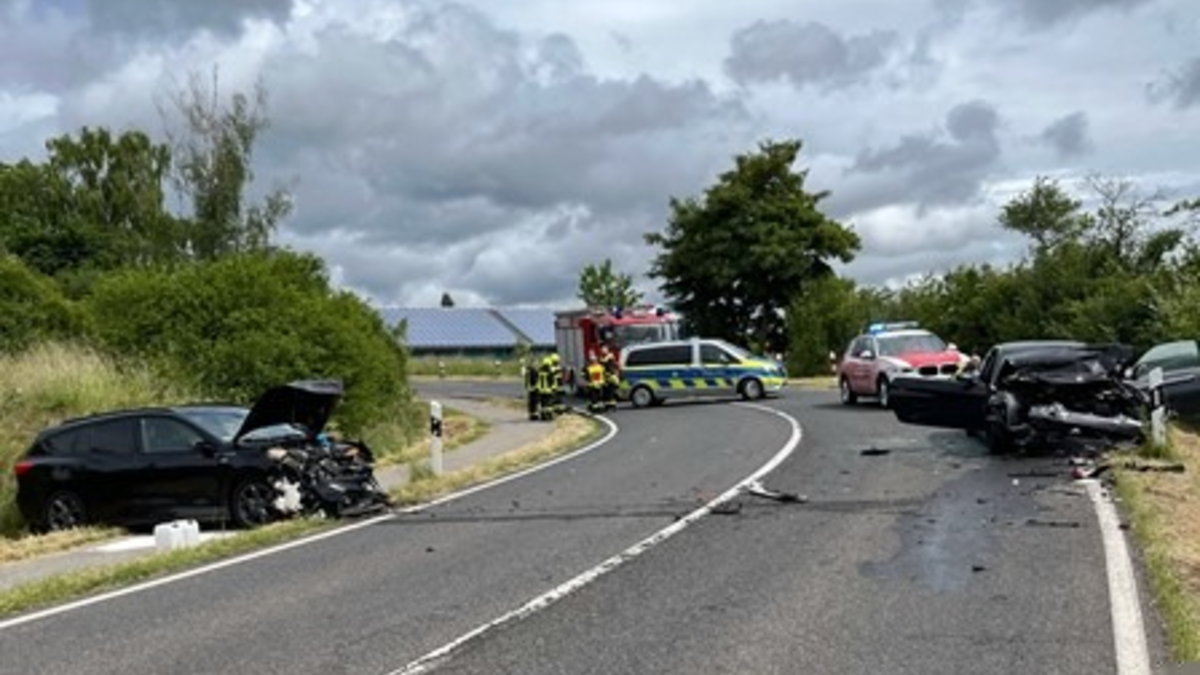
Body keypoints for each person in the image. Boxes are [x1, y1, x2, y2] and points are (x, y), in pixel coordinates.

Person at [600, 346, 620, 410]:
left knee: (610, 392)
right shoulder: (604, 357)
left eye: (603, 351)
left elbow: (605, 363)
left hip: (610, 377)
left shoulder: (609, 357)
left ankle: (611, 406)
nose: (602, 352)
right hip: (607, 378)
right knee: (607, 392)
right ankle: (608, 405)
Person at [524, 355, 541, 421]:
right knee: (535, 402)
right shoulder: (533, 371)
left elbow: (526, 380)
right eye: (536, 363)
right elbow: (535, 380)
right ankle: (534, 415)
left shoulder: (527, 371)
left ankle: (531, 415)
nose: (537, 364)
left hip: (530, 389)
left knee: (531, 403)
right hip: (534, 389)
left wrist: (526, 386)